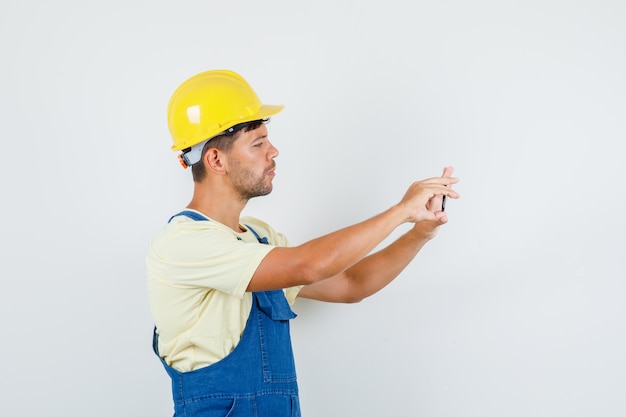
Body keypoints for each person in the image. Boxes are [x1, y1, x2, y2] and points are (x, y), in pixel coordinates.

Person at [146, 69, 459, 417]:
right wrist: (401, 211)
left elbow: (351, 284)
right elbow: (308, 265)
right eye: (258, 142)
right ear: (215, 159)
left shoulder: (259, 239)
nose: (274, 151)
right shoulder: (183, 244)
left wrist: (419, 233)